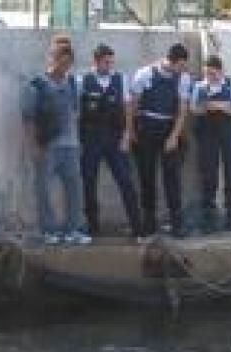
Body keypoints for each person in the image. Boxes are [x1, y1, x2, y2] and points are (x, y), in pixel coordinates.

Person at [21, 39, 89, 245]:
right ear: (52, 59)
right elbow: (28, 118)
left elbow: (75, 113)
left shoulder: (73, 83)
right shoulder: (37, 85)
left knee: (74, 189)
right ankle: (48, 230)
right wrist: (33, 145)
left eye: (68, 63)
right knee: (44, 189)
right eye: (60, 61)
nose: (64, 66)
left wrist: (78, 141)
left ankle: (72, 229)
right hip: (47, 146)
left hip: (71, 146)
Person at [128, 43, 193, 238]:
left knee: (172, 177)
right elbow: (132, 104)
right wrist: (130, 131)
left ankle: (176, 222)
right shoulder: (145, 74)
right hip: (147, 127)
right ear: (172, 61)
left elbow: (182, 110)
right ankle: (149, 221)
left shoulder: (183, 78)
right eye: (181, 65)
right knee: (146, 176)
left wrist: (174, 136)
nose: (183, 68)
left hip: (168, 127)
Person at [78, 43, 139, 239]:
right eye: (106, 62)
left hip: (115, 137)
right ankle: (93, 226)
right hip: (92, 138)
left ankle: (137, 227)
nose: (110, 65)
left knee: (125, 180)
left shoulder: (121, 79)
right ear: (96, 61)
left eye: (111, 62)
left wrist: (127, 135)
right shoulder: (82, 80)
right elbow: (78, 111)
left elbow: (128, 107)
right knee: (89, 182)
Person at [191, 54, 231, 233]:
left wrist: (220, 106)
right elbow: (194, 109)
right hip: (207, 132)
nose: (210, 77)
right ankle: (209, 216)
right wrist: (206, 107)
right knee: (208, 174)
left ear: (221, 71)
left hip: (230, 132)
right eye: (207, 73)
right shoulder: (199, 86)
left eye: (213, 74)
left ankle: (230, 215)